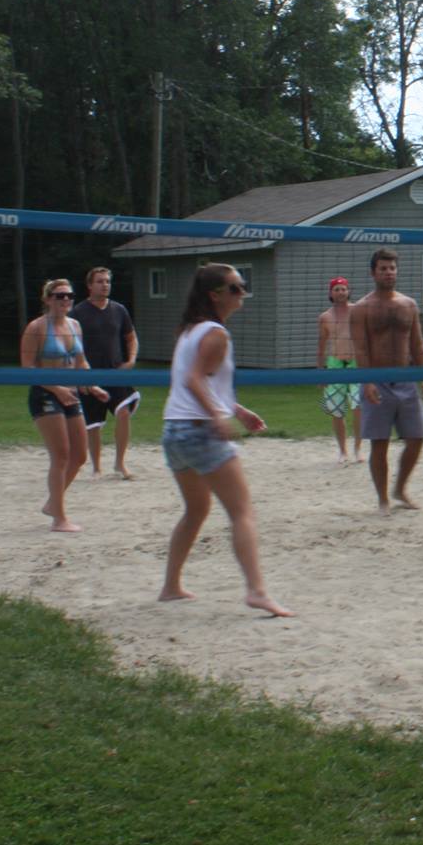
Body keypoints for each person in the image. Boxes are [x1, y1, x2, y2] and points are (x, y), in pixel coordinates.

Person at [158, 263, 291, 616]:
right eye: (235, 287)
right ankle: (257, 591)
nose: (242, 292)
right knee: (242, 511)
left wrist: (238, 410)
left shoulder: (191, 330)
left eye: (242, 285)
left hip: (174, 432)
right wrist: (218, 417)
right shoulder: (216, 333)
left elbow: (204, 383)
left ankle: (171, 586)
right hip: (199, 430)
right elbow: (194, 381)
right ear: (215, 295)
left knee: (196, 510)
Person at [20, 277, 108, 532]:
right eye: (60, 296)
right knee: (60, 456)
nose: (66, 300)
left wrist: (92, 386)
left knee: (79, 456)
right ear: (48, 299)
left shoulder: (75, 326)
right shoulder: (36, 328)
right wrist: (56, 389)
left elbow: (81, 363)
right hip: (45, 394)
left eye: (69, 295)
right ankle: (60, 518)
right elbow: (27, 369)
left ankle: (52, 504)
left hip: (71, 394)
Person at [350, 248, 423, 510]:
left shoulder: (409, 305)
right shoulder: (362, 308)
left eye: (392, 268)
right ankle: (383, 498)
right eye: (383, 268)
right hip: (378, 379)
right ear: (373, 272)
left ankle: (400, 489)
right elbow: (360, 348)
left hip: (406, 378)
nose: (389, 272)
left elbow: (417, 343)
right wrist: (368, 381)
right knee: (379, 443)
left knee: (417, 438)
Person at [72, 266, 141, 480]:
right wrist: (79, 375)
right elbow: (71, 346)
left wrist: (130, 361)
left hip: (116, 373)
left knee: (123, 412)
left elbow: (131, 338)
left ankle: (120, 464)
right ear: (90, 285)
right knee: (93, 425)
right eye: (100, 281)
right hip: (89, 375)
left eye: (108, 281)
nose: (105, 285)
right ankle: (96, 468)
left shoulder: (119, 310)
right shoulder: (77, 313)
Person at [316, 276, 360, 465]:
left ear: (348, 291)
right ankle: (343, 451)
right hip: (334, 364)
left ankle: (358, 449)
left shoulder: (358, 311)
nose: (341, 292)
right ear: (331, 293)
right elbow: (321, 346)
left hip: (356, 364)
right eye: (337, 289)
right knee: (337, 412)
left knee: (359, 408)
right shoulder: (325, 317)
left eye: (343, 289)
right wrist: (320, 371)